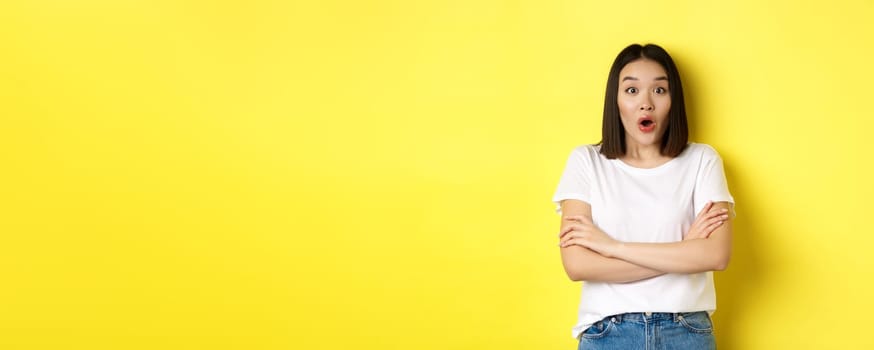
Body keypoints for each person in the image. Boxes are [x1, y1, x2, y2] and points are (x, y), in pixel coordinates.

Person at [552, 43, 734, 349]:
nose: (646, 103)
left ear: (673, 100)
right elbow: (578, 265)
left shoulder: (702, 160)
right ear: (616, 100)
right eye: (632, 90)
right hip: (608, 333)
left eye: (659, 91)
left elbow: (716, 255)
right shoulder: (586, 161)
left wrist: (612, 247)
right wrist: (684, 251)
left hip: (686, 331)